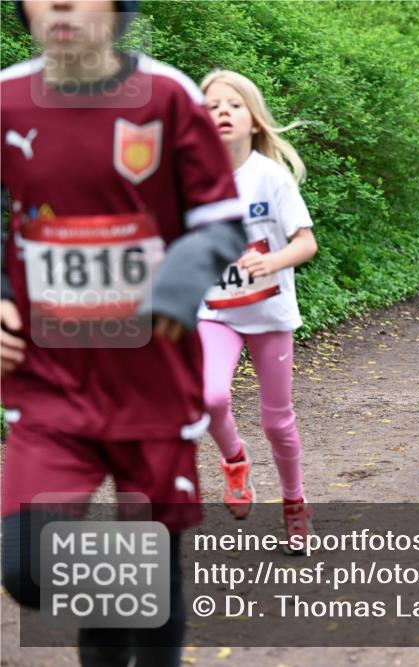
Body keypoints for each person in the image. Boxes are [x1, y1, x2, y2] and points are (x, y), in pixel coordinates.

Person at [1, 1, 245, 665]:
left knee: (153, 546)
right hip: (51, 382)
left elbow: (221, 221)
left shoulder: (167, 97)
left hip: (152, 380)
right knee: (27, 566)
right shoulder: (7, 102)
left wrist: (174, 282)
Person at [197, 70, 318, 550]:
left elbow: (305, 243)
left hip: (269, 314)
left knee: (277, 420)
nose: (222, 112)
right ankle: (234, 460)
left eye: (233, 105)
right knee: (209, 398)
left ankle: (294, 504)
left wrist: (270, 260)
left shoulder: (271, 177)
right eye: (211, 107)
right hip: (215, 311)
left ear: (253, 121)